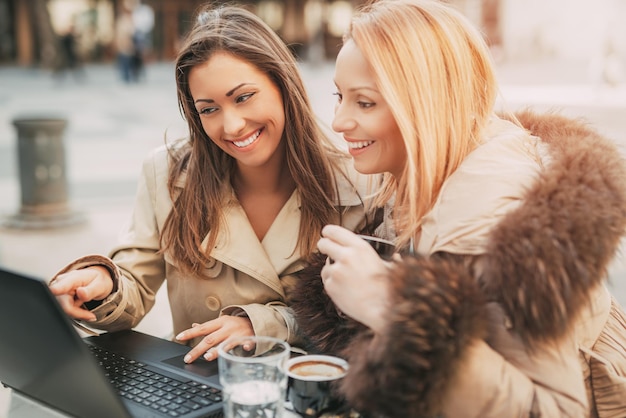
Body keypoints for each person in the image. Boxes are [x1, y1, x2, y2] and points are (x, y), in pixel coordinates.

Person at [291, 0, 626, 417]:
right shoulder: (427, 166)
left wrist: (388, 306)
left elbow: (554, 409)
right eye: (340, 96)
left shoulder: (491, 226)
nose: (338, 120)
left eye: (365, 103)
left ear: (425, 106)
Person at [49, 4, 375, 365]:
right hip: (195, 381)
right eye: (208, 109)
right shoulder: (168, 174)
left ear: (283, 84)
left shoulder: (356, 182)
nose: (232, 125)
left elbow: (359, 318)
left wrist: (264, 325)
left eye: (243, 97)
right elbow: (134, 282)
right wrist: (102, 282)